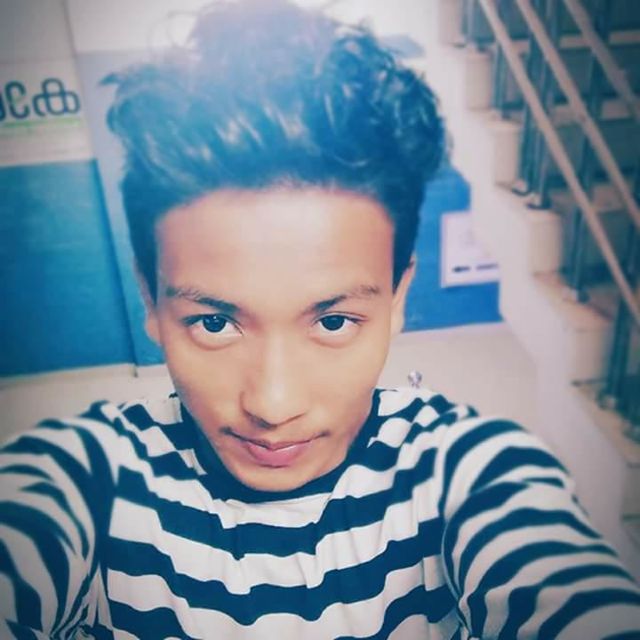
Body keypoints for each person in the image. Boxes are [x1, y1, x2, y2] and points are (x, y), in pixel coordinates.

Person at [1, 0, 639, 638]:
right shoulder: (84, 474)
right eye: (214, 323)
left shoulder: (468, 469)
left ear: (397, 300)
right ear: (151, 301)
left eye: (333, 322)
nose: (273, 405)